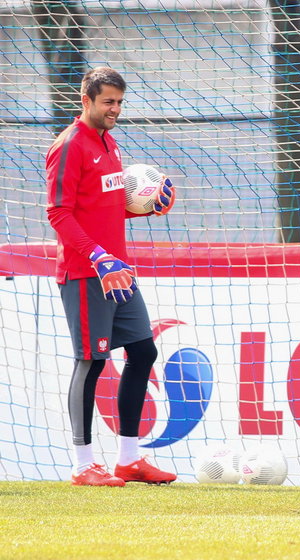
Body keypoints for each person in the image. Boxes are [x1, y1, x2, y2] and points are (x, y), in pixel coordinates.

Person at [45, 66, 177, 486]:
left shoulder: (111, 143)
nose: (115, 109)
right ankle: (84, 465)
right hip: (87, 273)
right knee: (92, 361)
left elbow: (103, 205)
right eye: (108, 102)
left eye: (119, 102)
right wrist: (98, 257)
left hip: (119, 271)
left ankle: (128, 460)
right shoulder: (68, 146)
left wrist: (145, 205)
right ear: (86, 101)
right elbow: (59, 213)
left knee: (142, 353)